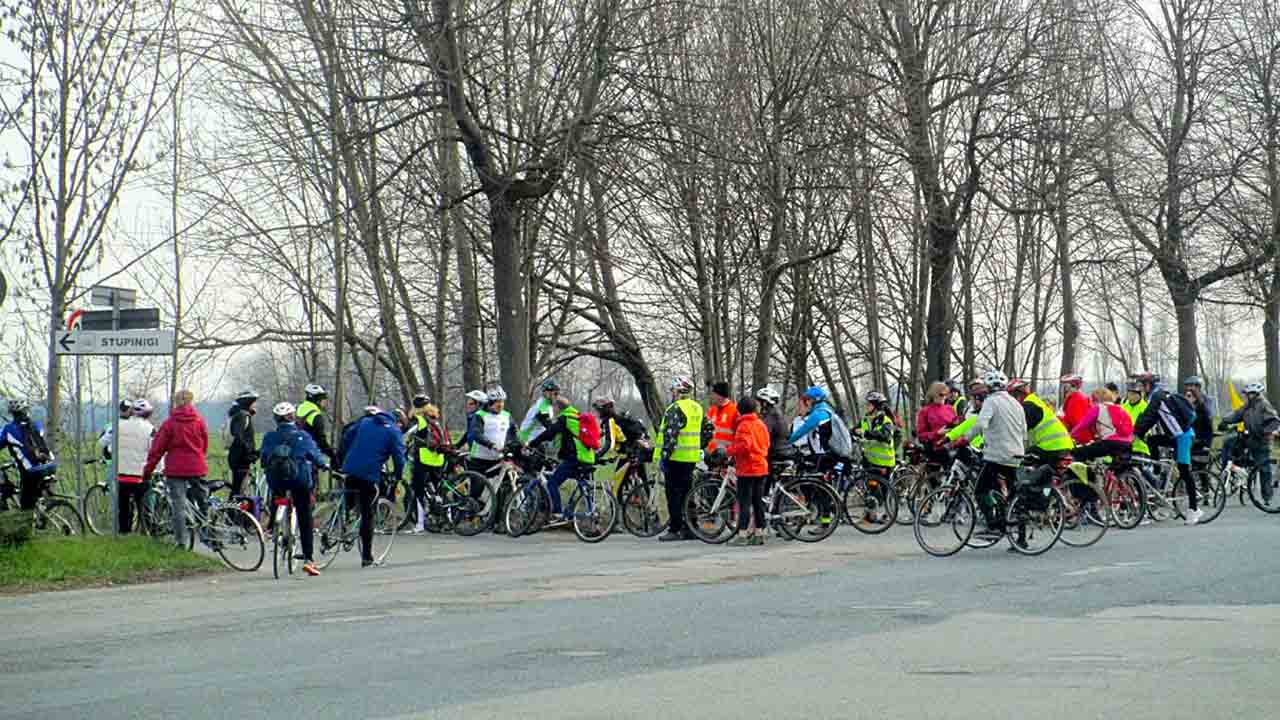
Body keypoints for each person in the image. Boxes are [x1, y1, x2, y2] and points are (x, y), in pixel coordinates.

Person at [260, 402, 326, 576]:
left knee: (277, 494)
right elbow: (315, 456)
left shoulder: (269, 437)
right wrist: (323, 464)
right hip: (299, 481)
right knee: (304, 516)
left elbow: (263, 460)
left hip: (277, 481)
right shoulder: (302, 436)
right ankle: (309, 559)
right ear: (293, 417)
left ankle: (273, 527)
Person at [954, 370, 1024, 535]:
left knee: (980, 490)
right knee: (1012, 494)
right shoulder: (1016, 403)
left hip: (997, 455)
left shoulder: (991, 402)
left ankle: (993, 525)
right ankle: (1020, 537)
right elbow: (1024, 430)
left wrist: (964, 439)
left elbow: (980, 424)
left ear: (988, 387)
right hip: (1016, 454)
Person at [143, 390, 210, 548]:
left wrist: (148, 470)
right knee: (203, 501)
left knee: (178, 506)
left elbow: (157, 450)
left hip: (176, 470)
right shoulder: (199, 421)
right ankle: (208, 532)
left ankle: (181, 542)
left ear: (175, 403)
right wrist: (198, 458)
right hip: (196, 466)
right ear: (191, 402)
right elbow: (204, 444)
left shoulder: (169, 424)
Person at [1132, 372, 1202, 524]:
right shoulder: (1158, 396)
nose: (1141, 389)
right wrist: (1138, 432)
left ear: (1149, 385)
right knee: (1152, 440)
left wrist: (1135, 433)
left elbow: (1148, 416)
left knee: (1184, 471)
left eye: (1143, 385)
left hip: (1183, 436)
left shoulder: (1157, 396)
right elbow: (1151, 419)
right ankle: (1157, 472)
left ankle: (1194, 509)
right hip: (1174, 436)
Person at [340, 406, 406, 566]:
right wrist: (398, 475)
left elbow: (347, 438)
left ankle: (345, 520)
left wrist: (343, 459)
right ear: (398, 423)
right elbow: (399, 457)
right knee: (368, 513)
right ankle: (367, 557)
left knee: (349, 494)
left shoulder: (365, 422)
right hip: (369, 474)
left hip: (349, 468)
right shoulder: (393, 432)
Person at [657, 376, 713, 542]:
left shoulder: (675, 409)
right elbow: (709, 429)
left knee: (673, 494)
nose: (672, 393)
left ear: (678, 391)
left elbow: (670, 436)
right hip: (691, 458)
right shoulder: (697, 408)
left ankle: (674, 529)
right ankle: (691, 527)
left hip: (675, 458)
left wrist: (664, 457)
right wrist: (699, 446)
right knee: (688, 493)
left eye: (673, 390)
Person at [536, 397, 597, 522]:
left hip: (574, 458)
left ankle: (557, 512)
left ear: (558, 408)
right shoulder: (579, 417)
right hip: (588, 458)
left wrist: (531, 443)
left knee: (552, 482)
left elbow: (549, 433)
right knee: (581, 483)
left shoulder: (564, 419)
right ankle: (591, 512)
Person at [1219, 383, 1280, 503]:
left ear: (1255, 394)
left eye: (1249, 394)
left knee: (1264, 469)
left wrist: (1264, 431)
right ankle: (1236, 471)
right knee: (1229, 442)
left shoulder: (1264, 405)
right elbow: (1236, 415)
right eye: (1247, 394)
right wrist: (1224, 420)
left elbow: (1274, 421)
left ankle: (1267, 496)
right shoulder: (1247, 406)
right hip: (1250, 438)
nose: (1247, 396)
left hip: (1262, 440)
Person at [728, 395, 770, 546]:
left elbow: (743, 446)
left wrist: (729, 451)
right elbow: (766, 443)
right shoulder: (761, 424)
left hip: (747, 468)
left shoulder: (743, 425)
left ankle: (742, 534)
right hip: (761, 466)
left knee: (744, 502)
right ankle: (760, 533)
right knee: (757, 501)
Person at [406, 393, 450, 534]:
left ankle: (420, 524)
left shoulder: (418, 419)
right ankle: (448, 519)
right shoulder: (436, 419)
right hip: (438, 459)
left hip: (423, 459)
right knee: (440, 489)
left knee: (418, 489)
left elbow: (406, 436)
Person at [2, 399, 57, 510]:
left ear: (12, 414)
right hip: (50, 465)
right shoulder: (36, 424)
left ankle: (30, 519)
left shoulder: (8, 430)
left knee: (25, 507)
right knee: (35, 493)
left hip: (31, 472)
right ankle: (41, 511)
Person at [1007, 378, 1075, 466]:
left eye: (1012, 396)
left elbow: (1018, 431)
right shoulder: (1034, 401)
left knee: (1020, 462)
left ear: (1018, 394)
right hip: (1061, 445)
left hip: (1052, 446)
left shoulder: (1029, 406)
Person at [114, 400, 157, 533]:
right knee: (144, 508)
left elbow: (106, 443)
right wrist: (158, 469)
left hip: (122, 474)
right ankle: (146, 532)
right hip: (141, 475)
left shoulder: (119, 425)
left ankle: (123, 533)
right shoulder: (150, 429)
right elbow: (154, 450)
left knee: (124, 508)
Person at [591, 398, 649, 491]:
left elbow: (609, 443)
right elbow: (603, 434)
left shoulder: (610, 421)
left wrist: (597, 455)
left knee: (616, 486)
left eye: (598, 410)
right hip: (638, 450)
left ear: (603, 410)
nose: (597, 413)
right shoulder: (618, 419)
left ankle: (618, 504)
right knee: (643, 479)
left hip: (628, 455)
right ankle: (646, 501)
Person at [1069, 387, 1134, 463]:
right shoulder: (1121, 408)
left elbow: (1082, 425)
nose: (1091, 403)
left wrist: (1070, 436)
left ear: (1097, 399)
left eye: (1092, 400)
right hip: (1127, 444)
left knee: (1079, 452)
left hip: (1110, 443)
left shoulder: (1098, 408)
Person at [788, 386, 843, 471]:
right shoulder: (827, 410)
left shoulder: (818, 414)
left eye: (808, 400)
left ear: (814, 400)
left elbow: (801, 432)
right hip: (830, 453)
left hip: (822, 454)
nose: (807, 403)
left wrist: (786, 443)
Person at [226, 389, 259, 498]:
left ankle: (233, 512)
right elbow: (239, 437)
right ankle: (231, 512)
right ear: (248, 402)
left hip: (237, 457)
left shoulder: (240, 415)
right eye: (254, 402)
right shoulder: (242, 416)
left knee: (237, 489)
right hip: (240, 459)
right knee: (238, 491)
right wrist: (249, 453)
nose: (256, 405)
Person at [915, 381, 958, 464]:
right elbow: (921, 436)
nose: (944, 397)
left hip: (953, 447)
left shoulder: (950, 409)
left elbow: (957, 426)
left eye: (946, 394)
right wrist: (937, 433)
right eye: (941, 395)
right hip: (936, 449)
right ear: (933, 395)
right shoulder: (925, 411)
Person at [296, 383, 336, 462]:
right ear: (317, 400)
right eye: (323, 399)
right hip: (309, 457)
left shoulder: (297, 409)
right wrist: (333, 456)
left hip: (295, 455)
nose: (325, 402)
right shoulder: (315, 416)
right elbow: (321, 441)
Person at [1183, 376, 1216, 469]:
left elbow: (1209, 416)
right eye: (1187, 386)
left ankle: (1205, 482)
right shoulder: (1186, 399)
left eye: (1191, 386)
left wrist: (1198, 403)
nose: (1189, 389)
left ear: (1198, 387)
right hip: (1191, 436)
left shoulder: (1207, 400)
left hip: (1203, 438)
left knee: (1200, 466)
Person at [519, 379, 560, 446]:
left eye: (557, 394)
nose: (557, 396)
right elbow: (549, 426)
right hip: (527, 440)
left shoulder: (547, 405)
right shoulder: (542, 406)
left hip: (534, 440)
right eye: (555, 393)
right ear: (546, 392)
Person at [1058, 374, 1093, 443]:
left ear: (1072, 386)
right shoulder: (1073, 398)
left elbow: (1078, 422)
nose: (1064, 388)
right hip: (1077, 436)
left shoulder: (1077, 399)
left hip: (1080, 439)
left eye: (1065, 385)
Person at [706, 381, 739, 452]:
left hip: (726, 455)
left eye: (713, 394)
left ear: (720, 395)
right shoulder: (712, 410)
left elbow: (739, 435)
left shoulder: (735, 411)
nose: (712, 396)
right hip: (711, 453)